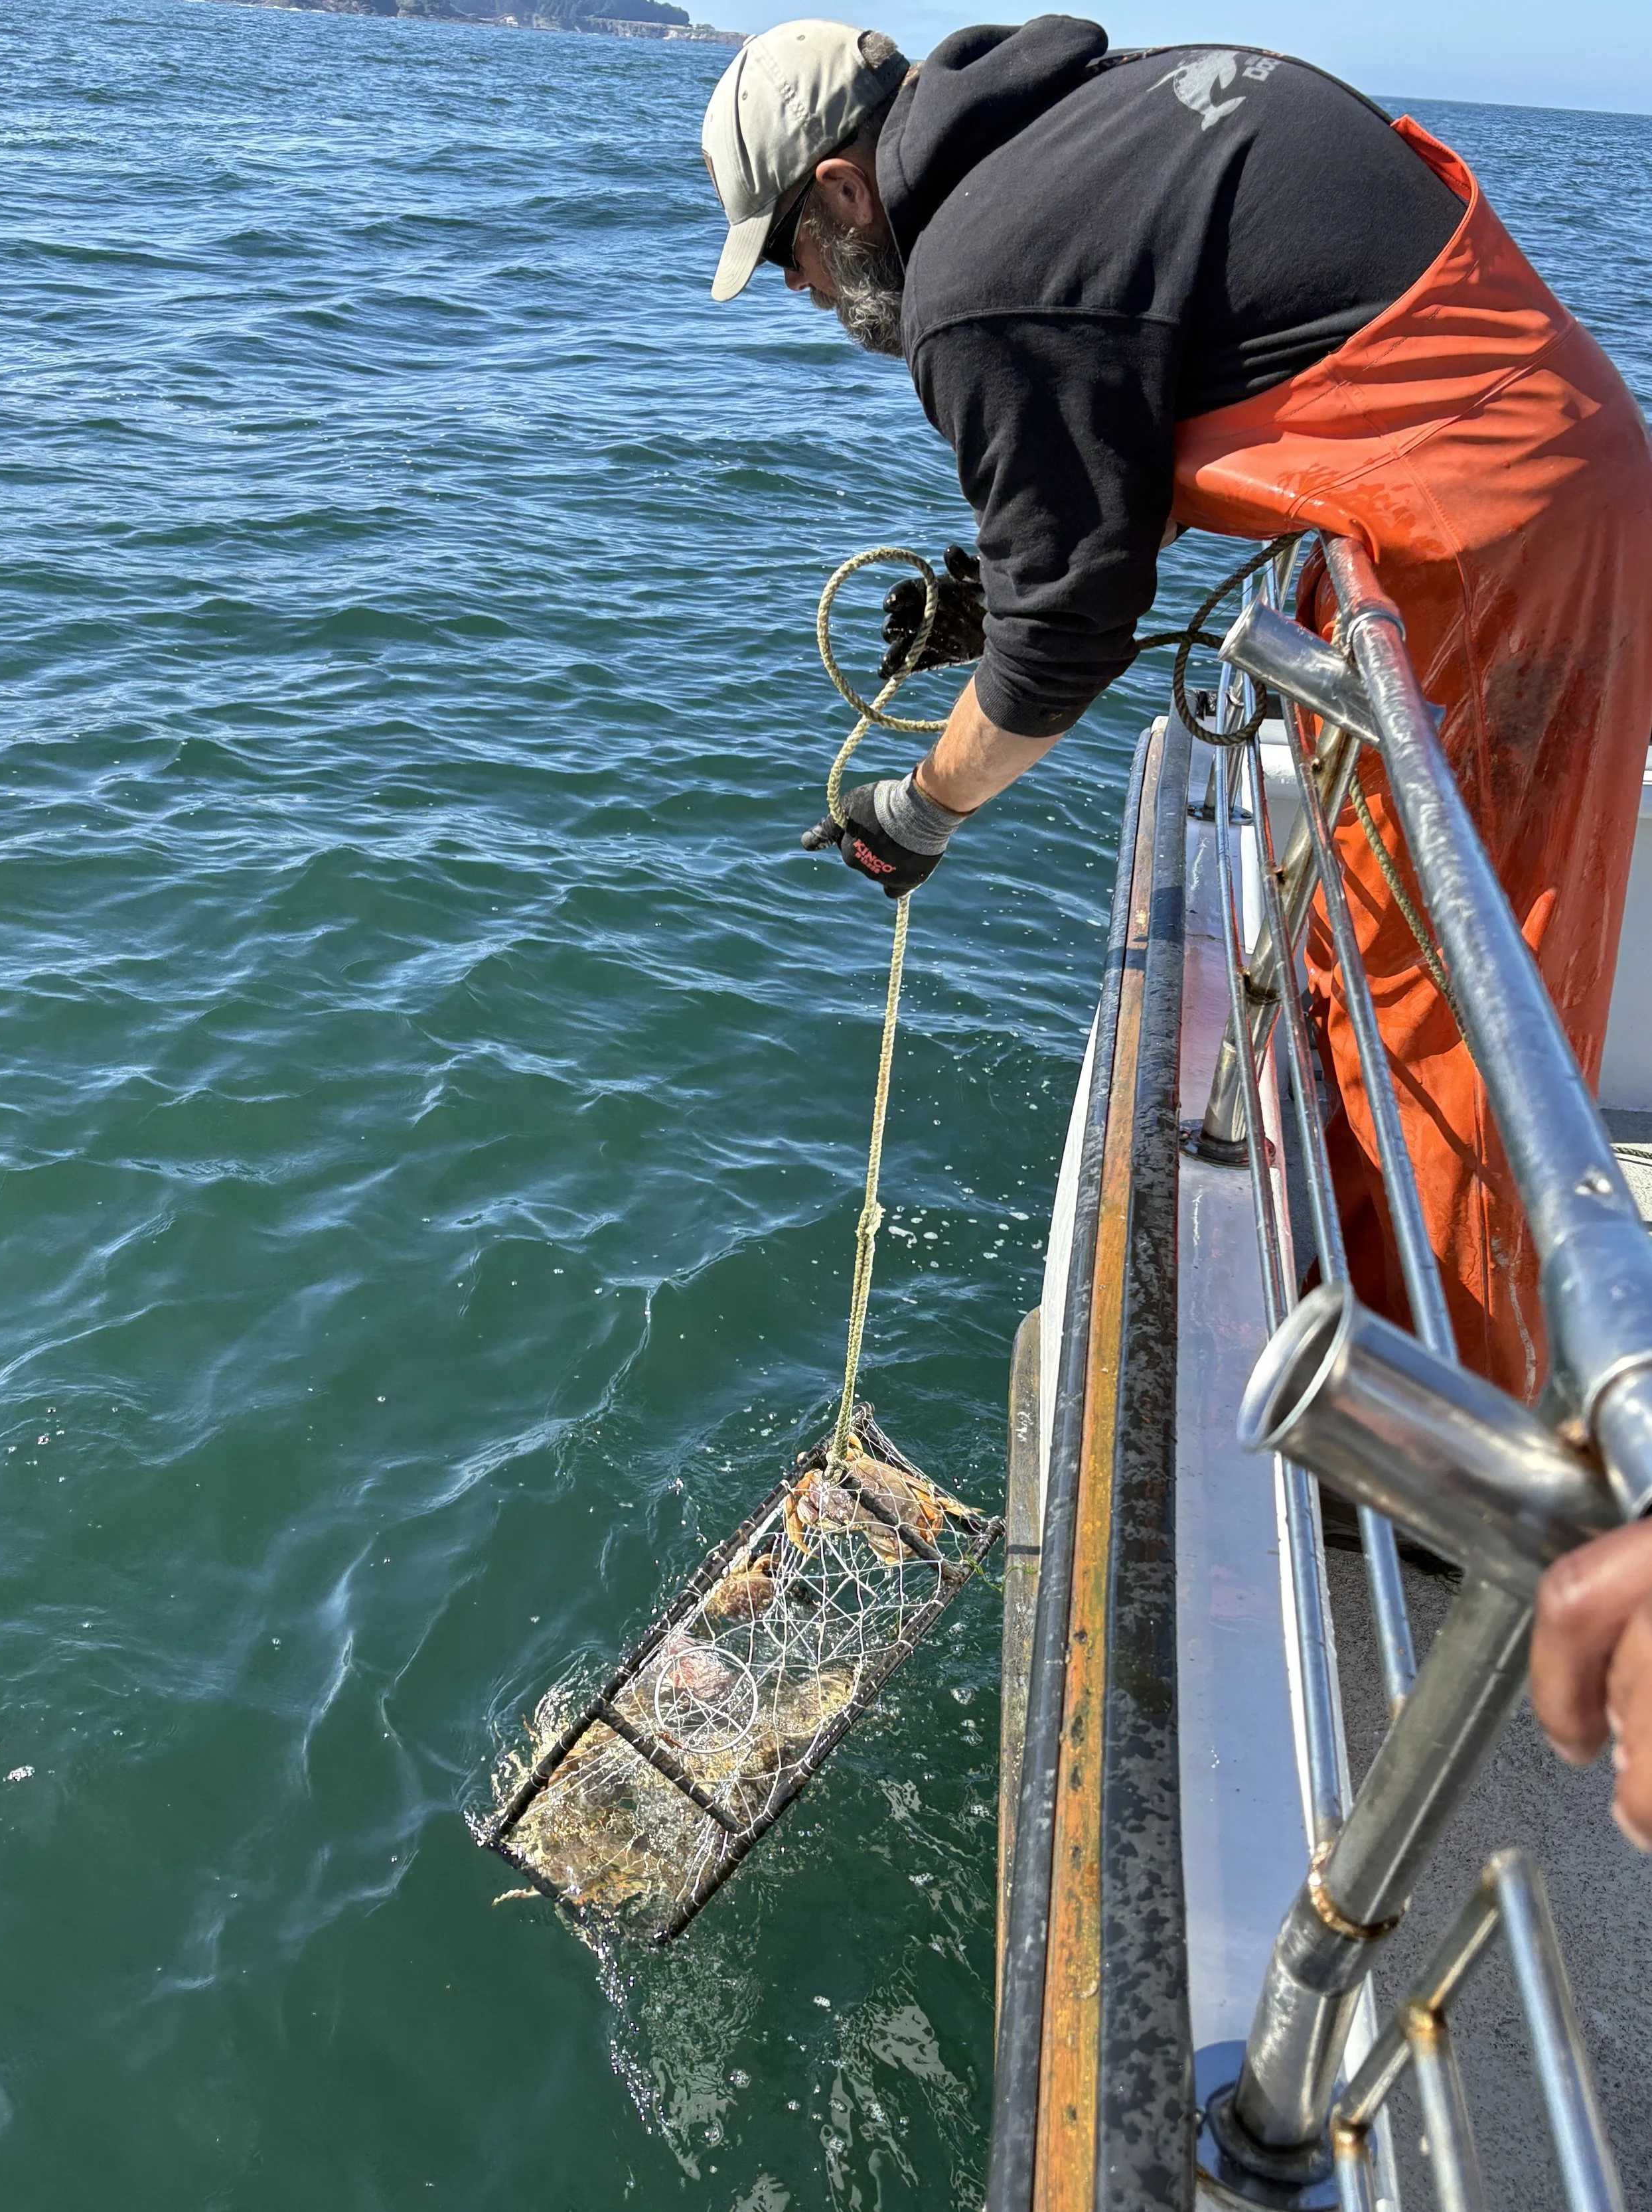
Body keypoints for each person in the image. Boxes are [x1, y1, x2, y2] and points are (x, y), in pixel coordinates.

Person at [700, 19, 1652, 1846]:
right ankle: (1392, 1347)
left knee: (1445, 998)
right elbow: (1124, 468)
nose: (813, 299)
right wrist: (973, 608)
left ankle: (1458, 1496)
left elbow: (1067, 646)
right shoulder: (1080, 131)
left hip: (1502, 553)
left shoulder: (970, 287)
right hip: (1490, 500)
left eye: (800, 259)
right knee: (1366, 961)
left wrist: (917, 811)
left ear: (841, 190)